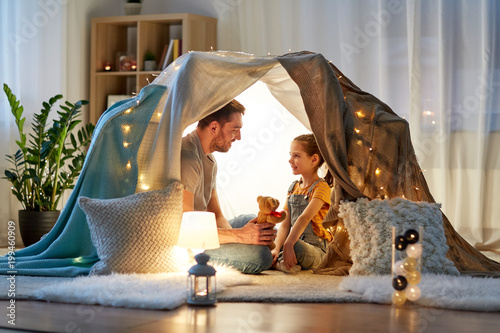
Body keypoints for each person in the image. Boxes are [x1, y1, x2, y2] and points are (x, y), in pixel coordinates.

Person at [181, 99, 276, 274]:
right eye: (235, 130)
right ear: (214, 127)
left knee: (257, 223)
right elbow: (184, 229)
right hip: (191, 242)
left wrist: (244, 235)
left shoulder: (210, 159)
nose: (239, 137)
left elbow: (216, 215)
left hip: (208, 230)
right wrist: (241, 236)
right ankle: (277, 254)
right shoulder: (188, 158)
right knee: (260, 256)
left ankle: (282, 250)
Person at [271, 134, 333, 273]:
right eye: (290, 155)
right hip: (293, 240)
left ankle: (278, 262)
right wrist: (276, 247)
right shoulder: (293, 188)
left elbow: (304, 218)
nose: (290, 160)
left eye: (296, 156)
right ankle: (279, 260)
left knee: (296, 247)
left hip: (316, 247)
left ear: (314, 159)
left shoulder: (322, 187)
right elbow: (285, 224)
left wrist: (288, 244)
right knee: (269, 239)